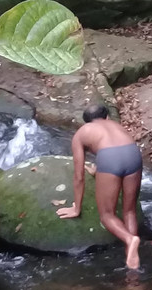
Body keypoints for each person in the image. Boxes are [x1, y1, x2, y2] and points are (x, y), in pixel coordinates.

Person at [56, 105, 143, 270]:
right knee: (129, 211)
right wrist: (100, 171)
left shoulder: (82, 132)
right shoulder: (117, 126)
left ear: (87, 122)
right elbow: (116, 149)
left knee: (107, 215)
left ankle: (130, 240)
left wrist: (76, 208)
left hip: (110, 160)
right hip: (133, 153)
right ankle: (133, 259)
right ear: (107, 118)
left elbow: (79, 175)